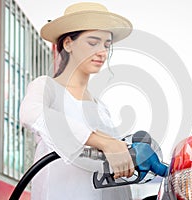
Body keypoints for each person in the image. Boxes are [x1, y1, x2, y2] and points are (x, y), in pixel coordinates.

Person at [19, 2, 135, 200]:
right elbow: (31, 113)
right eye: (93, 42)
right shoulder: (47, 87)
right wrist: (101, 142)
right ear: (68, 44)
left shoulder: (101, 107)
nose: (102, 52)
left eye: (107, 45)